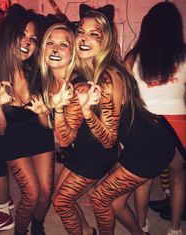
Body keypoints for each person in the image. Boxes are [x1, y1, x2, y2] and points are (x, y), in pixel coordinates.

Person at [0, 7, 55, 235]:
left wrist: (44, 111)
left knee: (47, 192)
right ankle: (20, 231)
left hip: (39, 131)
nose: (27, 43)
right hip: (11, 138)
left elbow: (50, 123)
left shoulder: (36, 69)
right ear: (8, 35)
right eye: (22, 35)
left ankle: (37, 226)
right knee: (32, 194)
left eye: (32, 38)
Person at [49, 5, 122, 235]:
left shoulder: (109, 77)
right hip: (84, 146)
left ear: (106, 40)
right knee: (59, 199)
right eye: (81, 31)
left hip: (100, 152)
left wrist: (88, 113)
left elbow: (110, 141)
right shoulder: (87, 68)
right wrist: (59, 108)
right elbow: (65, 138)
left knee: (62, 202)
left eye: (94, 34)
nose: (83, 38)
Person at [124, 2, 186, 235]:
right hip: (179, 124)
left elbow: (126, 94)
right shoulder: (184, 54)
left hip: (147, 124)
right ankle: (175, 229)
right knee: (178, 176)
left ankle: (142, 224)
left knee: (144, 179)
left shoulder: (134, 56)